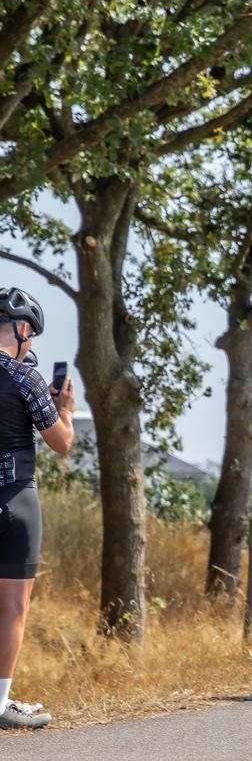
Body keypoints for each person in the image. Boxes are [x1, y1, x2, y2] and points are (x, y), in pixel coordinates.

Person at [0, 287, 75, 730]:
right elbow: (62, 443)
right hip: (15, 499)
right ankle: (0, 702)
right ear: (24, 329)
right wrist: (63, 409)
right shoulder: (24, 377)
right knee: (12, 606)